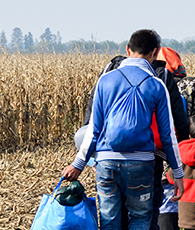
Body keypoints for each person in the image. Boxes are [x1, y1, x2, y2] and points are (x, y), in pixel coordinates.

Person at [63, 29, 185, 230]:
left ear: (128, 49)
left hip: (107, 163)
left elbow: (94, 128)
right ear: (155, 53)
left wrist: (78, 164)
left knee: (110, 221)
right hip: (142, 164)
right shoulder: (156, 84)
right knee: (140, 218)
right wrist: (178, 173)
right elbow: (167, 135)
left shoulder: (106, 80)